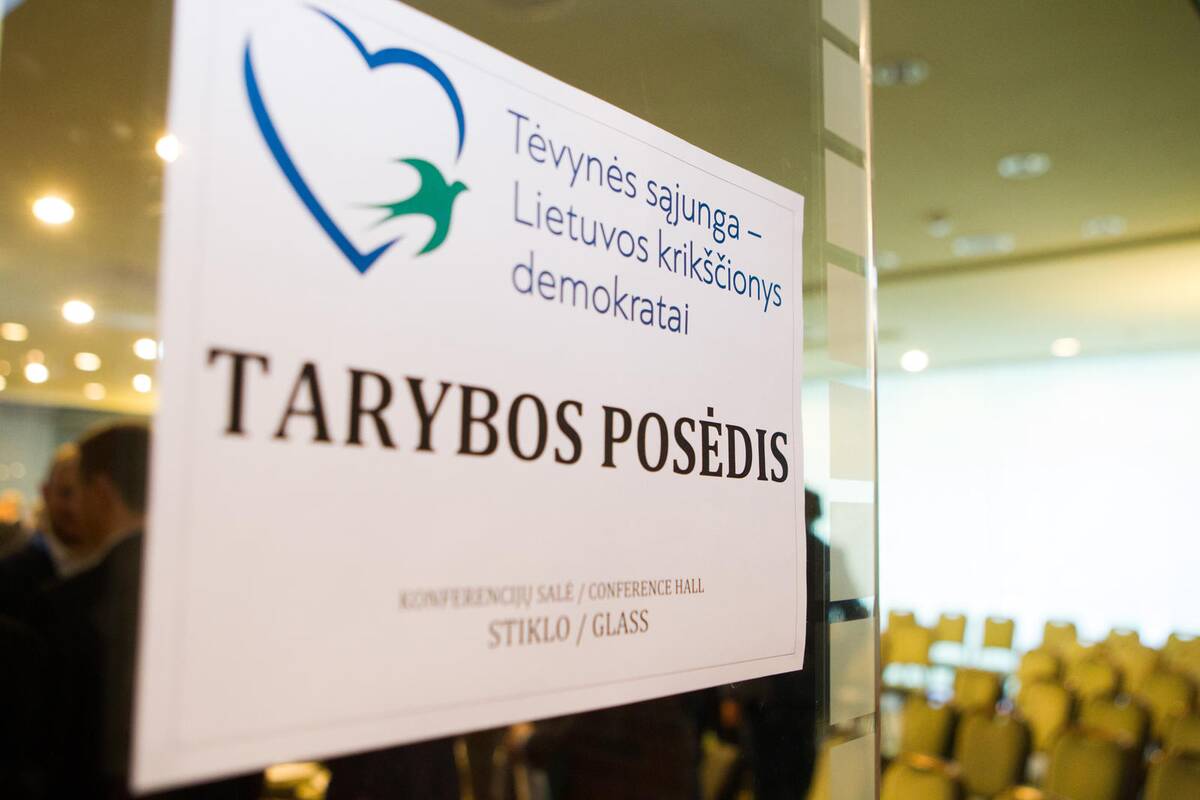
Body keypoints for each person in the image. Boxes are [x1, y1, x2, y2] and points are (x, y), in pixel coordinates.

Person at [0, 444, 88, 616]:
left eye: (85, 495)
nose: (75, 507)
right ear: (46, 493)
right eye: (65, 493)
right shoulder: (13, 574)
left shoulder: (116, 568)